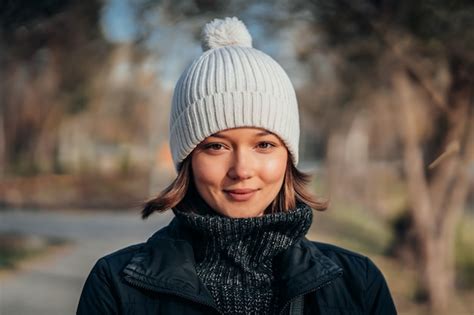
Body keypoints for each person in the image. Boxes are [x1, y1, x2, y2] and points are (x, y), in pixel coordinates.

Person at [77, 17, 397, 315]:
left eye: (264, 145)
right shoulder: (116, 285)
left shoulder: (359, 284)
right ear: (187, 160)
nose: (242, 169)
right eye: (216, 146)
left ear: (288, 157)